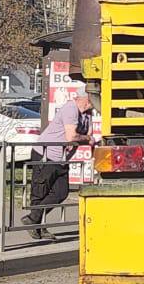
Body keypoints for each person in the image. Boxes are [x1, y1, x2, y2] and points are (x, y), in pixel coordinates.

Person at [22, 85, 93, 241]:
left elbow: (89, 135)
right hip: (46, 154)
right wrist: (87, 138)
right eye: (93, 98)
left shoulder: (87, 114)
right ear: (84, 98)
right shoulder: (70, 108)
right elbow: (72, 137)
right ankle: (37, 225)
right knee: (40, 191)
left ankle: (34, 220)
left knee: (61, 192)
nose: (95, 102)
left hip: (61, 158)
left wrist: (88, 138)